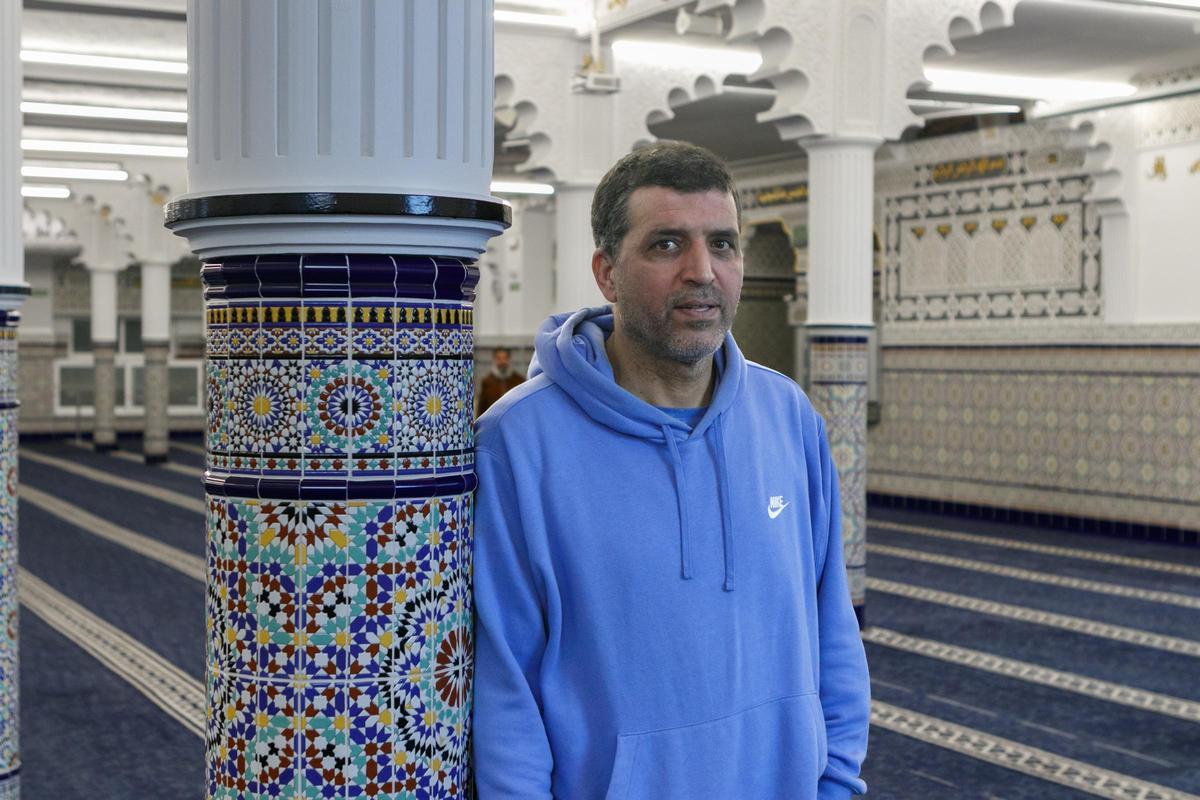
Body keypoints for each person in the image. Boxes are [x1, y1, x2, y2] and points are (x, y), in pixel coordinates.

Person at [472, 141, 870, 799]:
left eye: (723, 244)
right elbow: (506, 683)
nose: (703, 272)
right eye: (665, 245)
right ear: (607, 273)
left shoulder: (787, 418)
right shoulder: (517, 446)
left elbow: (832, 630)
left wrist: (834, 785)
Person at [476, 346, 525, 416]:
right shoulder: (487, 382)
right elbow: (481, 408)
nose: (502, 362)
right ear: (494, 360)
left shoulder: (519, 380)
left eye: (505, 358)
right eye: (499, 358)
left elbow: (523, 406)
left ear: (509, 360)